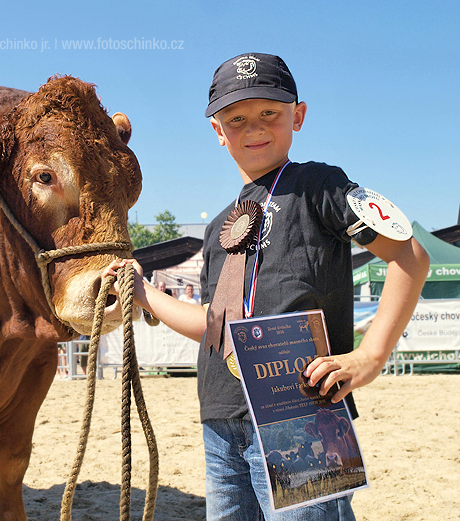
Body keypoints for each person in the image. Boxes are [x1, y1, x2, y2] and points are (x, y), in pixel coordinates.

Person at [104, 53, 429, 520]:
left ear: (297, 115)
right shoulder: (220, 227)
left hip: (303, 411)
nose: (254, 127)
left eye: (269, 113)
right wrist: (142, 289)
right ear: (219, 132)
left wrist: (370, 356)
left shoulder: (319, 186)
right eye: (236, 119)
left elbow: (409, 256)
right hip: (220, 415)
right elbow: (215, 328)